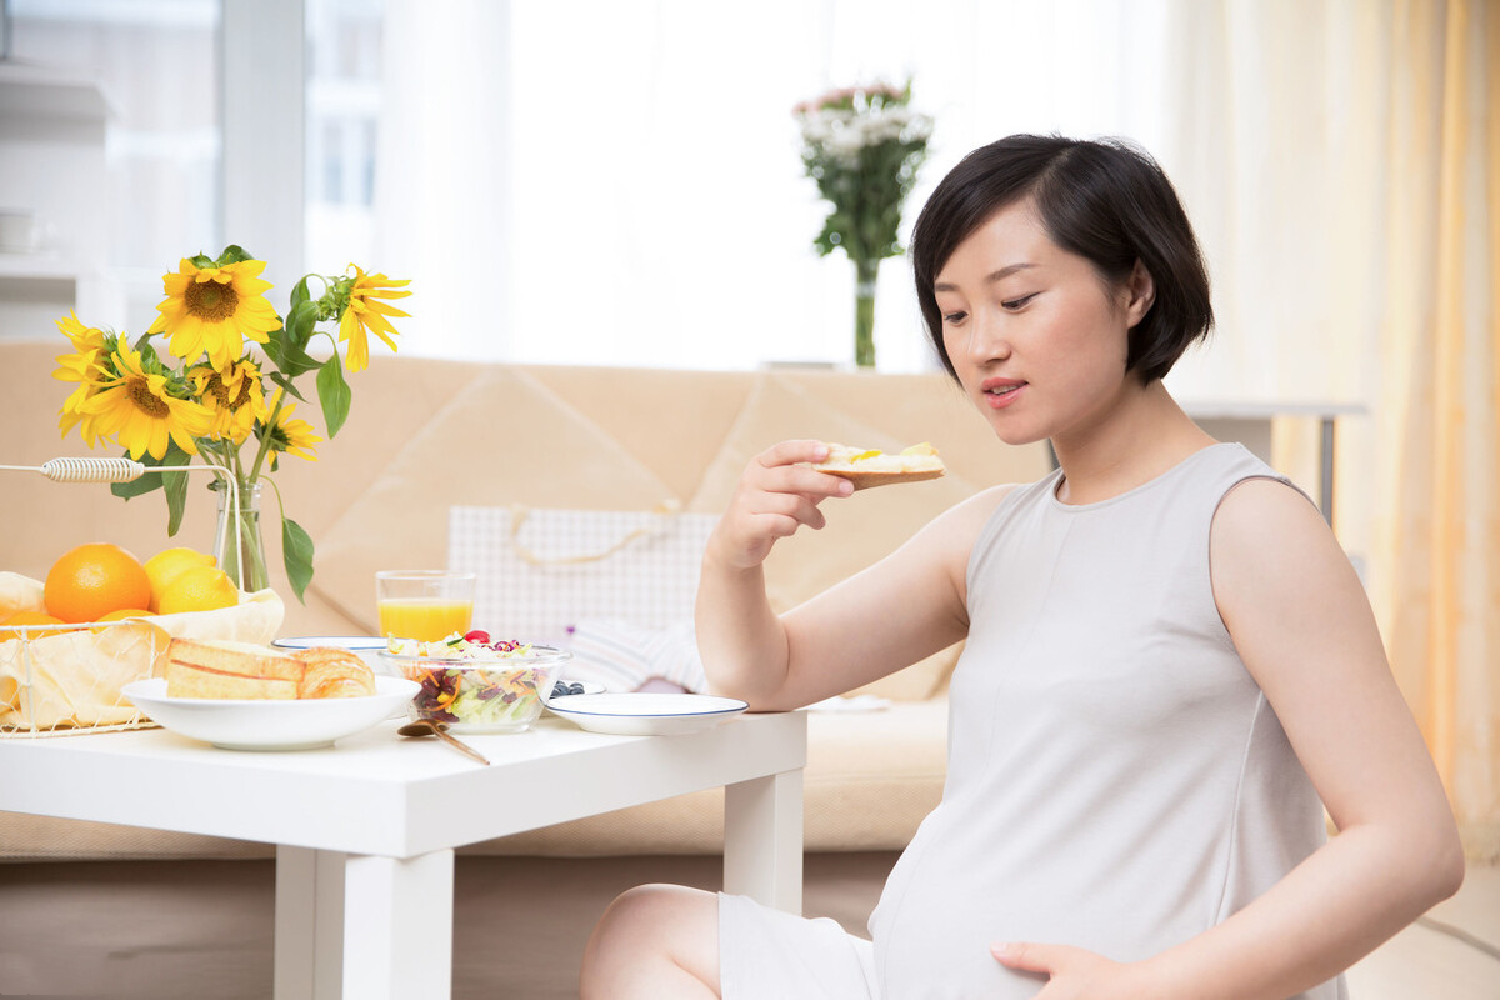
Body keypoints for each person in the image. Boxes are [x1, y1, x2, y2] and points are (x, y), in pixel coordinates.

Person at [578, 134, 1464, 999]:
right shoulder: (990, 533)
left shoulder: (1243, 522)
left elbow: (1411, 843)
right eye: (955, 313)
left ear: (1136, 290)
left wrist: (1152, 988)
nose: (981, 346)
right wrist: (737, 551)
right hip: (905, 978)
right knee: (647, 932)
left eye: (1018, 299)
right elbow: (765, 675)